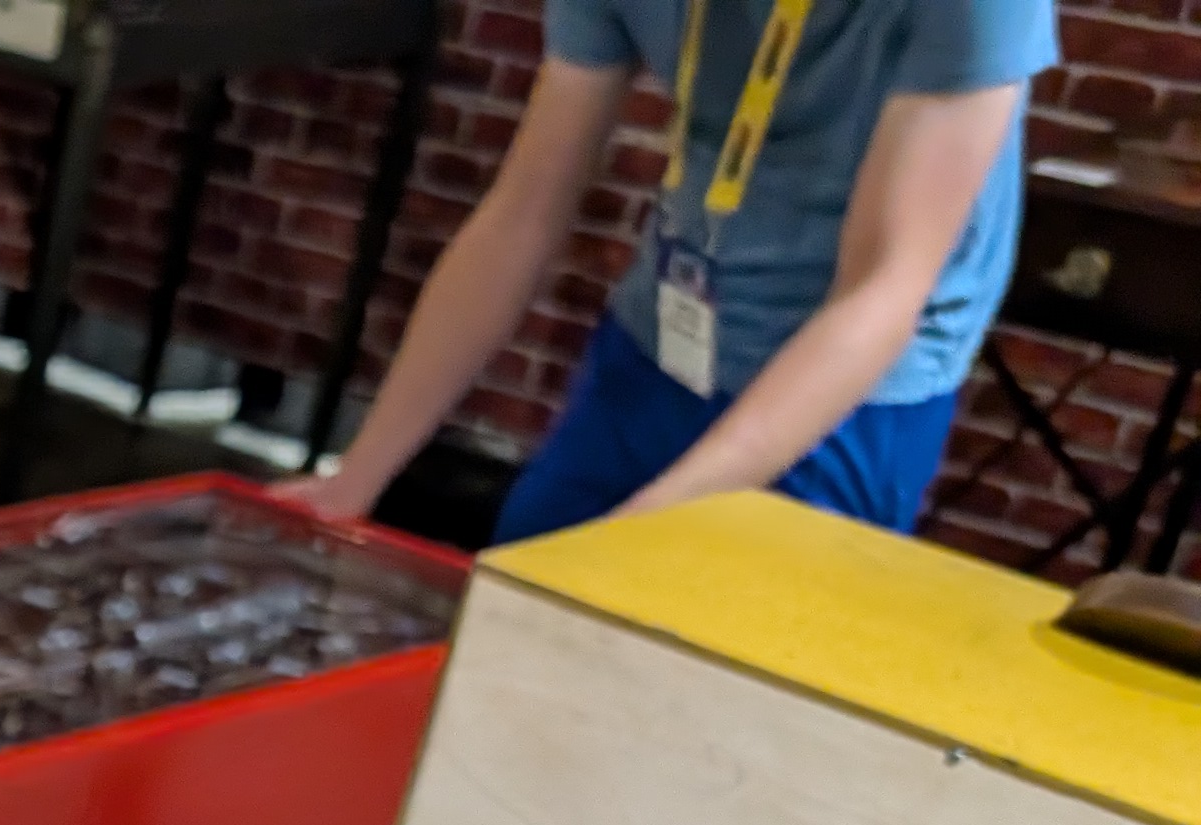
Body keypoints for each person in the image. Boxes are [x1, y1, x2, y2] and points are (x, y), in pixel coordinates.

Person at [283, 0, 1056, 543]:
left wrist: (649, 523)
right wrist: (358, 480)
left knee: (713, 698)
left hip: (852, 393)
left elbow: (885, 288)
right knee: (521, 611)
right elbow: (522, 215)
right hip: (669, 329)